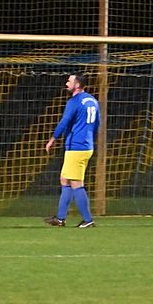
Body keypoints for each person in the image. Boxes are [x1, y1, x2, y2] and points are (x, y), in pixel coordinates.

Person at [44, 72, 100, 228]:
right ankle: (60, 218)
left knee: (76, 183)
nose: (66, 83)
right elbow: (97, 123)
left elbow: (64, 121)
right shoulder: (93, 100)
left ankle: (88, 220)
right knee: (65, 179)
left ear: (77, 84)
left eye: (69, 81)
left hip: (76, 147)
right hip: (85, 145)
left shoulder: (74, 101)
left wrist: (53, 139)